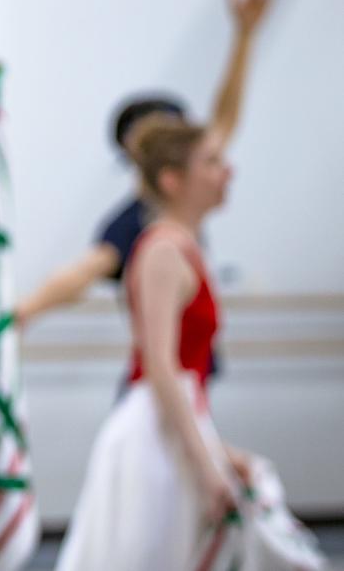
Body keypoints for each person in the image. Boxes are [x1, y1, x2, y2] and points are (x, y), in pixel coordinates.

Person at [16, 0, 275, 325]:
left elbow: (224, 120)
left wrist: (245, 36)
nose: (223, 171)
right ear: (168, 173)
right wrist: (20, 314)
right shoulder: (140, 222)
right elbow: (82, 272)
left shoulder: (176, 207)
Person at [55, 118, 252, 569]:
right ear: (172, 179)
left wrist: (216, 450)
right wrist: (205, 463)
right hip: (152, 433)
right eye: (212, 162)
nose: (228, 172)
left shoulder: (183, 244)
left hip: (170, 422)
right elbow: (160, 365)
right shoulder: (163, 250)